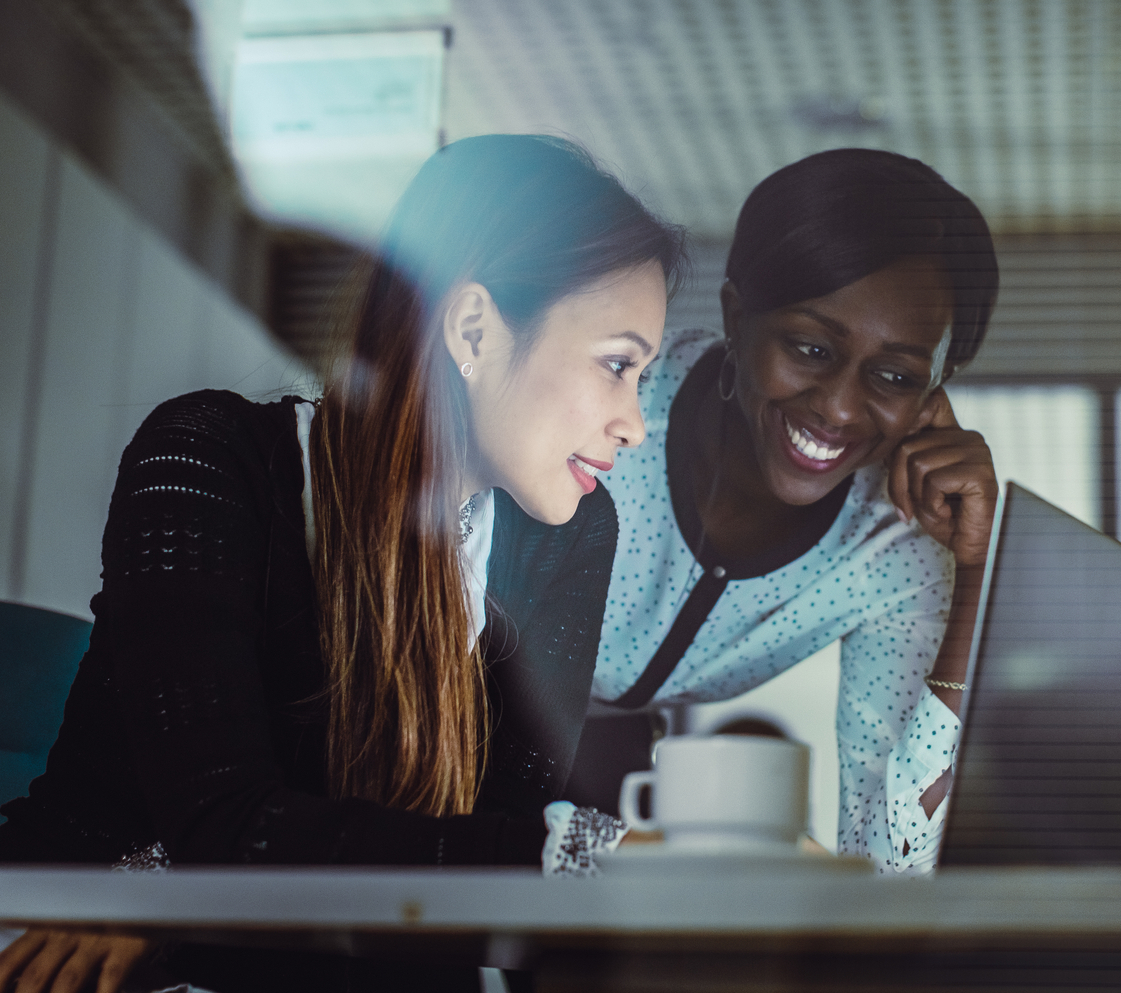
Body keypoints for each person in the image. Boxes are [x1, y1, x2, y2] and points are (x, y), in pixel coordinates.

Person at [0, 135, 683, 993]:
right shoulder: (208, 459)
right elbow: (232, 829)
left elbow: (484, 880)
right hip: (63, 954)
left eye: (643, 378)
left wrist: (174, 899)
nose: (635, 423)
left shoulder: (568, 534)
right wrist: (614, 860)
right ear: (473, 328)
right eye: (617, 365)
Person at [566, 148, 999, 874]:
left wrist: (977, 574)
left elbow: (890, 864)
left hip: (607, 778)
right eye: (810, 348)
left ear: (933, 394)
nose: (838, 407)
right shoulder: (617, 404)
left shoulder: (895, 557)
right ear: (738, 318)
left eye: (894, 376)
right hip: (445, 715)